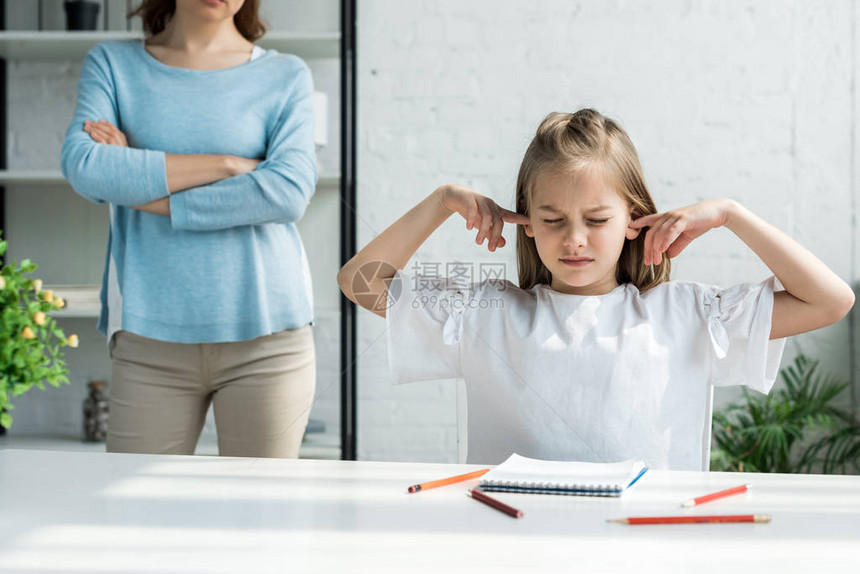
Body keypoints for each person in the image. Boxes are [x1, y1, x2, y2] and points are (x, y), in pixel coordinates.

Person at [337, 109, 855, 470]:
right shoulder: (485, 311)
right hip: (512, 546)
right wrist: (442, 201)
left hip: (644, 548)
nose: (575, 239)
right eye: (553, 218)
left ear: (633, 216)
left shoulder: (688, 315)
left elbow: (832, 300)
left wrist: (730, 214)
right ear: (528, 223)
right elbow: (358, 281)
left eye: (597, 218)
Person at [60, 0, 318, 458]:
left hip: (268, 339)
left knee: (263, 520)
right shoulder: (114, 64)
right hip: (148, 338)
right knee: (134, 519)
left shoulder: (286, 75)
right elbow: (87, 168)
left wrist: (139, 180)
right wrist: (230, 165)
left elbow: (287, 193)